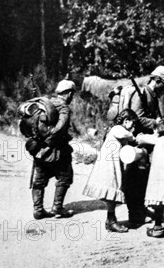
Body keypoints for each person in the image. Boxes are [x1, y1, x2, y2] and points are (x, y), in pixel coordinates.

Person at [118, 65, 164, 226]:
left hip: (146, 143)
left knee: (143, 178)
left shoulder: (152, 95)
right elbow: (134, 117)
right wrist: (155, 122)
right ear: (157, 80)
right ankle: (134, 213)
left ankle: (140, 209)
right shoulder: (141, 93)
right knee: (134, 178)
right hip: (136, 142)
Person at [82, 109, 138, 232]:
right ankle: (111, 221)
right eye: (132, 124)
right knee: (112, 190)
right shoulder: (117, 129)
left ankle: (110, 220)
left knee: (112, 192)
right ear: (126, 120)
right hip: (108, 164)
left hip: (112, 162)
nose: (132, 127)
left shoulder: (117, 129)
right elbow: (128, 136)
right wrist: (134, 135)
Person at [29, 79, 76, 219]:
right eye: (72, 94)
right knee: (65, 177)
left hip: (39, 148)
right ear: (68, 93)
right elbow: (61, 128)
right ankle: (57, 208)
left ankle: (38, 210)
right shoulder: (63, 107)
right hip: (57, 150)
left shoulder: (45, 103)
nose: (72, 97)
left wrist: (43, 140)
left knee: (39, 180)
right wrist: (52, 138)